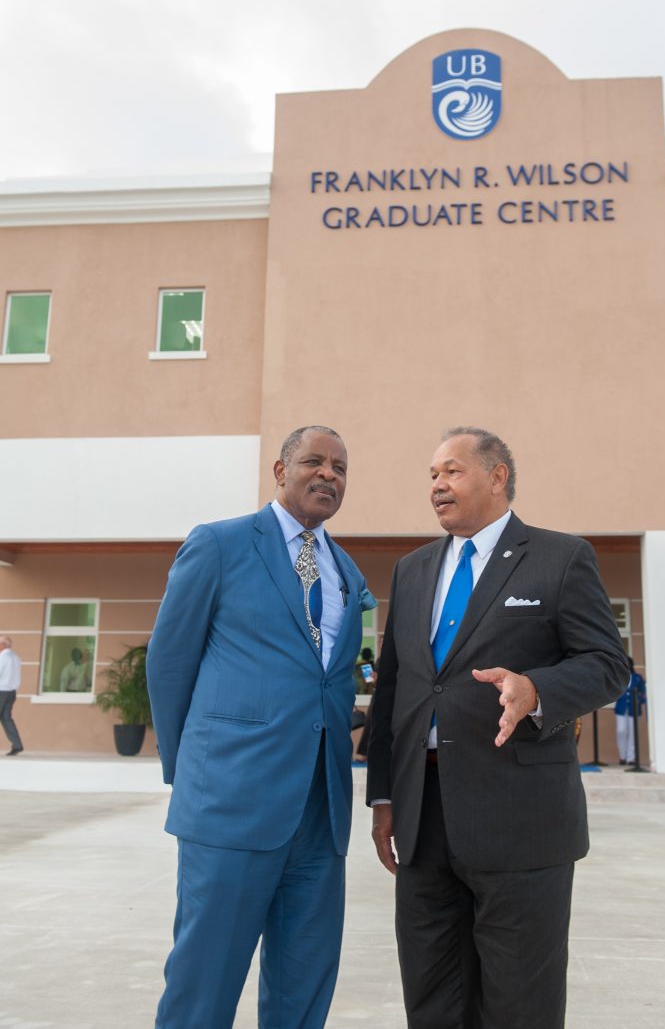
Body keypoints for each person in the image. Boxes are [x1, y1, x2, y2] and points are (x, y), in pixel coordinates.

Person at [367, 427, 630, 1029]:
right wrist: (383, 796)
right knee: (431, 1000)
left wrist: (537, 689)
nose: (437, 485)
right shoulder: (412, 570)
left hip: (521, 822)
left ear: (497, 476)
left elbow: (607, 664)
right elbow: (393, 691)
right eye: (432, 475)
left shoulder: (561, 558)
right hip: (423, 818)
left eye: (452, 471)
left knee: (519, 1008)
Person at [146, 425, 375, 1029]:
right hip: (230, 802)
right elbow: (169, 665)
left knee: (304, 988)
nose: (329, 475)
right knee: (204, 984)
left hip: (321, 811)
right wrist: (192, 774)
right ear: (280, 471)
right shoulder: (219, 545)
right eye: (314, 462)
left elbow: (331, 679)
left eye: (340, 468)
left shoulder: (346, 571)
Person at [614, 656, 647, 764]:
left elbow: (643, 693)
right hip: (621, 708)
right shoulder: (619, 676)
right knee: (621, 731)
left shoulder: (638, 677)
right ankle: (622, 756)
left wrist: (639, 701)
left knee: (633, 733)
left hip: (634, 709)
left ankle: (630, 758)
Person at [0, 636, 24, 755]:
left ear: (3, 644)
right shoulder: (16, 657)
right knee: (6, 718)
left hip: (1, 691)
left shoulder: (2, 657)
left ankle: (17, 745)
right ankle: (17, 745)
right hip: (11, 692)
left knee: (6, 718)